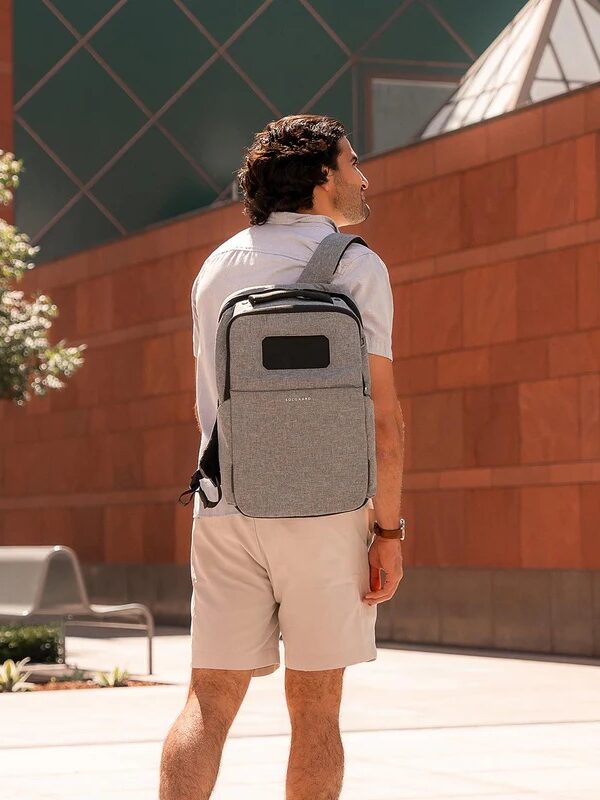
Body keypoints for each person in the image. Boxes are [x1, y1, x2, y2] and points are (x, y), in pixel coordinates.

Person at [160, 114, 405, 800]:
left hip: (227, 501)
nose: (362, 176)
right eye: (353, 163)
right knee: (318, 708)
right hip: (327, 510)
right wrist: (388, 531)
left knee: (208, 702)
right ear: (323, 178)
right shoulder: (357, 264)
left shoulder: (217, 266)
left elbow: (209, 394)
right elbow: (384, 419)